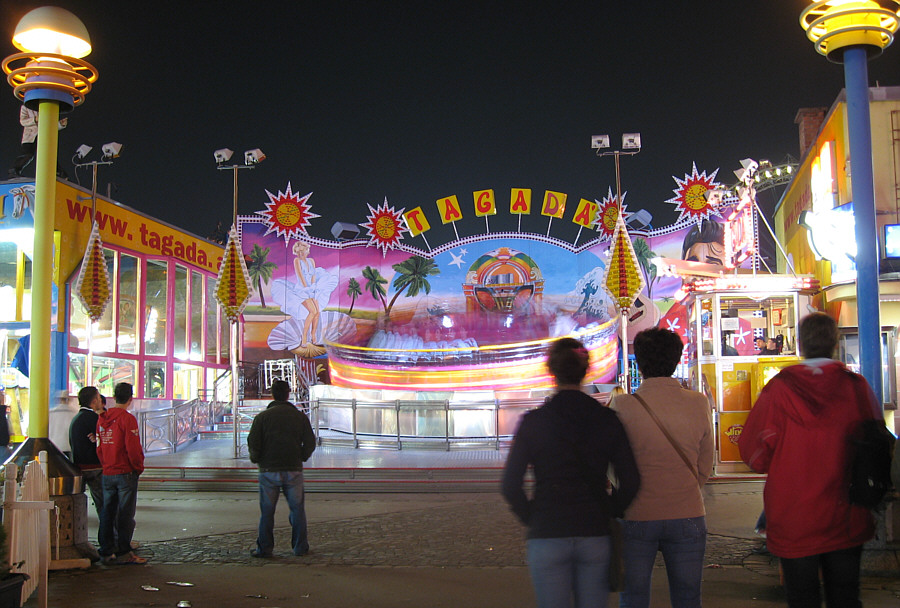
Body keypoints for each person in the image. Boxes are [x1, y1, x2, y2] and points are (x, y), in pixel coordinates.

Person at [739, 313, 880, 607]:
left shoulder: (779, 390)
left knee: (802, 598)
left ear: (800, 343)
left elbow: (754, 453)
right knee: (845, 597)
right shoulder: (857, 388)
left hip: (794, 518)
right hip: (847, 515)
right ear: (835, 342)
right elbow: (876, 444)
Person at [502, 338, 640, 608]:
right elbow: (632, 480)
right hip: (594, 531)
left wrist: (534, 516)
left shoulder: (534, 422)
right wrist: (610, 509)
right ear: (586, 370)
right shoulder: (606, 419)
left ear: (551, 371)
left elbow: (509, 485)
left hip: (548, 530)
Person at [610, 327, 714, 608]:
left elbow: (611, 466)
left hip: (636, 515)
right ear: (676, 360)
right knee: (688, 597)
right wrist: (685, 487)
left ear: (639, 363)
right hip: (688, 513)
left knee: (632, 597)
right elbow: (706, 463)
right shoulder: (698, 403)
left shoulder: (621, 405)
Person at [247, 379, 317, 557]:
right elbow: (310, 441)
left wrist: (258, 459)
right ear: (288, 394)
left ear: (272, 393)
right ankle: (300, 547)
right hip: (293, 468)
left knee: (267, 513)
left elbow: (253, 442)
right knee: (297, 510)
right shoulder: (299, 416)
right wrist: (301, 456)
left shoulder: (262, 418)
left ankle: (264, 548)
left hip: (268, 470)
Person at [96, 382, 146, 565]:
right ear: (130, 399)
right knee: (125, 514)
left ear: (114, 397)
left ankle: (107, 551)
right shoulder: (127, 419)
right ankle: (124, 551)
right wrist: (138, 467)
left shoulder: (102, 419)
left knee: (107, 513)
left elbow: (100, 446)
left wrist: (106, 464)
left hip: (108, 471)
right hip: (125, 472)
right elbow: (132, 448)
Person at [69, 387, 106, 521]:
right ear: (95, 400)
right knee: (104, 504)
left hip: (79, 465)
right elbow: (102, 440)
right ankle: (111, 537)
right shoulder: (94, 419)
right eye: (98, 398)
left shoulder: (76, 419)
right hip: (95, 466)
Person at [9, 105, 68, 178]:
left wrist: (60, 124)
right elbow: (23, 121)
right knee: (27, 154)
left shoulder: (45, 107)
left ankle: (59, 172)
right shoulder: (26, 107)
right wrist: (34, 119)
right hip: (30, 137)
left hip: (43, 136)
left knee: (48, 155)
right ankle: (14, 171)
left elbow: (49, 125)